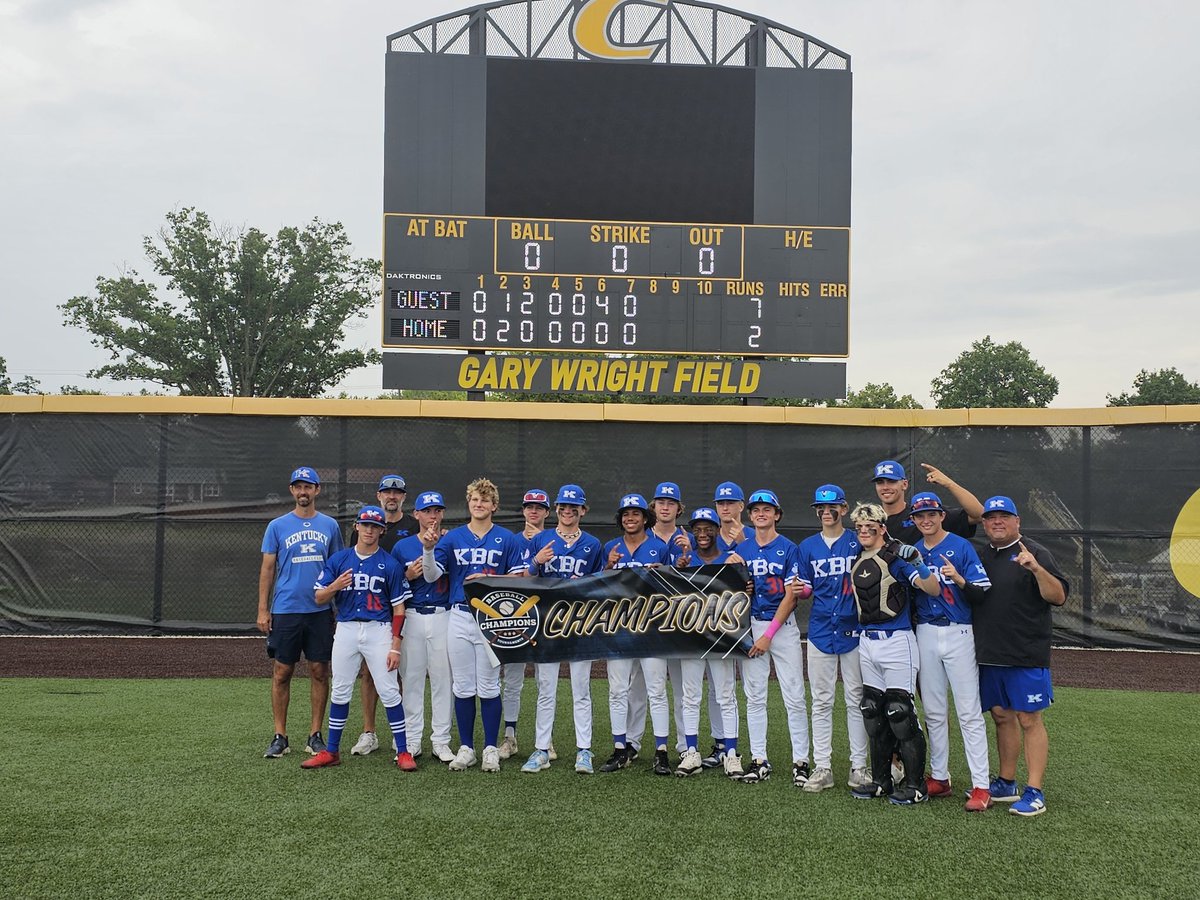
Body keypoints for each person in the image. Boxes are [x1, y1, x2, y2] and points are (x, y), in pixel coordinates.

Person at [418, 478, 528, 772]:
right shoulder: (453, 538)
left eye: (484, 500)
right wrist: (428, 550)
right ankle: (467, 747)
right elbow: (430, 576)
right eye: (474, 500)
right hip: (460, 614)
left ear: (494, 505)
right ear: (469, 504)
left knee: (489, 685)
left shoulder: (508, 538)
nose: (478, 504)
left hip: (493, 618)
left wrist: (486, 581)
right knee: (463, 685)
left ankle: (490, 747)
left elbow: (519, 578)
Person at [302, 506, 417, 771]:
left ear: (381, 530)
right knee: (341, 689)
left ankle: (403, 751)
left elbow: (399, 608)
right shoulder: (340, 560)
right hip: (346, 628)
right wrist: (335, 587)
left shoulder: (389, 564)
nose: (369, 530)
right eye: (365, 525)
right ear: (356, 526)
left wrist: (396, 646)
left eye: (374, 526)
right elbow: (318, 596)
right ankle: (332, 751)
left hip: (379, 629)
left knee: (388, 690)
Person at [975, 495, 1069, 817]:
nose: (997, 521)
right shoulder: (980, 555)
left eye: (1004, 516)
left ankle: (1036, 790)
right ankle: (1005, 782)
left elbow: (1058, 597)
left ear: (1017, 521)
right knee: (1001, 715)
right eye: (991, 517)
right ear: (985, 523)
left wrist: (1036, 568)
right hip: (989, 653)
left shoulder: (1035, 553)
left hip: (1026, 653)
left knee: (1029, 719)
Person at [846, 502, 941, 805]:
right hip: (868, 641)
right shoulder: (857, 559)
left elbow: (933, 589)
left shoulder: (897, 557)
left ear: (881, 527)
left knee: (900, 712)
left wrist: (920, 563)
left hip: (897, 641)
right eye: (859, 526)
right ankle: (881, 781)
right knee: (873, 711)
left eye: (869, 526)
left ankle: (915, 786)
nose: (864, 531)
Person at [909, 491, 995, 812]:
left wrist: (958, 578)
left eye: (931, 514)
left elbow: (983, 590)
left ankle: (981, 784)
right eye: (920, 516)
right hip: (926, 633)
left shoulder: (961, 546)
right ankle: (940, 776)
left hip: (959, 631)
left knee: (968, 711)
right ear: (914, 520)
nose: (926, 520)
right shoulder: (914, 550)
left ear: (942, 515)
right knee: (933, 710)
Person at [258, 467, 344, 759]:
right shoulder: (277, 526)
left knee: (320, 671)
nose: (303, 492)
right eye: (298, 487)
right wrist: (263, 610)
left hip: (320, 610)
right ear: (292, 490)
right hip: (286, 609)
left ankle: (315, 735)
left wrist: (337, 606)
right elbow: (268, 569)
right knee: (282, 672)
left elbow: (337, 569)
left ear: (317, 490)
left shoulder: (330, 526)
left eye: (308, 487)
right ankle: (280, 735)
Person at [521, 484, 604, 775]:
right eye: (562, 507)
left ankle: (584, 750)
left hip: (580, 623)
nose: (567, 512)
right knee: (546, 689)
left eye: (573, 507)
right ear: (556, 510)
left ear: (583, 510)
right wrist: (535, 562)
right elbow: (523, 579)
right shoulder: (541, 539)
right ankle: (541, 749)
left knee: (581, 689)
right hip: (546, 623)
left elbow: (599, 583)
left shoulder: (593, 544)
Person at [793, 484, 871, 793]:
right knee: (822, 701)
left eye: (832, 507)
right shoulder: (808, 546)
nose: (827, 512)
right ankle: (822, 766)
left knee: (856, 699)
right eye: (821, 508)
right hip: (821, 629)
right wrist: (805, 590)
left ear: (844, 508)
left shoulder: (856, 541)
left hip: (854, 628)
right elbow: (804, 584)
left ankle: (859, 767)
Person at [736, 490, 812, 786]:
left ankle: (801, 762)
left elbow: (792, 597)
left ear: (777, 514)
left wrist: (768, 635)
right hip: (750, 624)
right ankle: (758, 759)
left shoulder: (789, 548)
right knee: (754, 697)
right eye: (756, 510)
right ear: (750, 515)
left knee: (794, 695)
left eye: (767, 509)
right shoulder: (742, 550)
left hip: (780, 628)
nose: (761, 514)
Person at [599, 493, 673, 776]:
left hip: (652, 627)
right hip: (618, 627)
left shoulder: (659, 546)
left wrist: (664, 572)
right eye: (626, 514)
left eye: (636, 513)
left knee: (655, 690)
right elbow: (594, 587)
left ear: (645, 517)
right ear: (620, 518)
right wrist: (608, 566)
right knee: (618, 690)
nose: (630, 518)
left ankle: (662, 751)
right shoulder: (611, 547)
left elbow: (673, 586)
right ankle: (620, 748)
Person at [350, 473, 420, 757]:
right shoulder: (365, 525)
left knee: (399, 670)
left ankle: (400, 733)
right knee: (369, 672)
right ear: (379, 495)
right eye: (387, 492)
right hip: (372, 608)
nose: (392, 497)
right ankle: (369, 732)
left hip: (405, 606)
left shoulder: (414, 525)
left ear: (403, 497)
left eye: (397, 493)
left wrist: (408, 577)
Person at [391, 491, 455, 764]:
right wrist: (406, 576)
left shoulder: (451, 541)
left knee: (443, 680)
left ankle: (441, 740)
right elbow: (391, 584)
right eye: (427, 511)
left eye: (437, 510)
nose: (432, 515)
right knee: (412, 679)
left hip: (443, 614)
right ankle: (411, 740)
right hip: (413, 615)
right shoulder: (402, 546)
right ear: (415, 514)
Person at [685, 507, 743, 778]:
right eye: (697, 529)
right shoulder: (683, 561)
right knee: (690, 695)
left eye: (708, 528)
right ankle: (691, 751)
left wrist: (746, 584)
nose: (703, 534)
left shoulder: (730, 560)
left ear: (717, 530)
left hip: (722, 637)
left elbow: (744, 592)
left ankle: (731, 753)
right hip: (689, 637)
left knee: (725, 694)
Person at [699, 481, 753, 768]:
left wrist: (744, 541)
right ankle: (721, 744)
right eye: (721, 503)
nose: (725, 507)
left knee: (749, 688)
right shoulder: (708, 538)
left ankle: (747, 748)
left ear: (741, 506)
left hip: (748, 622)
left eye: (731, 502)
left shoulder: (752, 535)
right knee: (716, 687)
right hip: (713, 623)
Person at [498, 488, 552, 762]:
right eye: (529, 507)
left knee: (546, 681)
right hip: (517, 617)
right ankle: (510, 736)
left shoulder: (554, 540)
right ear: (522, 511)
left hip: (545, 618)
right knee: (513, 680)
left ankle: (546, 741)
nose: (533, 511)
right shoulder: (512, 541)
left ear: (547, 512)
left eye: (539, 508)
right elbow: (512, 578)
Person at [648, 481, 700, 770]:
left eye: (670, 502)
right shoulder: (642, 536)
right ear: (653, 506)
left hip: (682, 622)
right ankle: (630, 743)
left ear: (679, 508)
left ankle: (684, 745)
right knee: (642, 689)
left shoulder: (688, 538)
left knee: (682, 689)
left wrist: (688, 558)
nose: (665, 507)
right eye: (660, 502)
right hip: (650, 623)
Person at [871, 460, 983, 544]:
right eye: (880, 482)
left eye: (891, 481)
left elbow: (979, 515)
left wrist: (949, 484)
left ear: (904, 484)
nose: (885, 487)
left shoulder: (922, 514)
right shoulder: (869, 522)